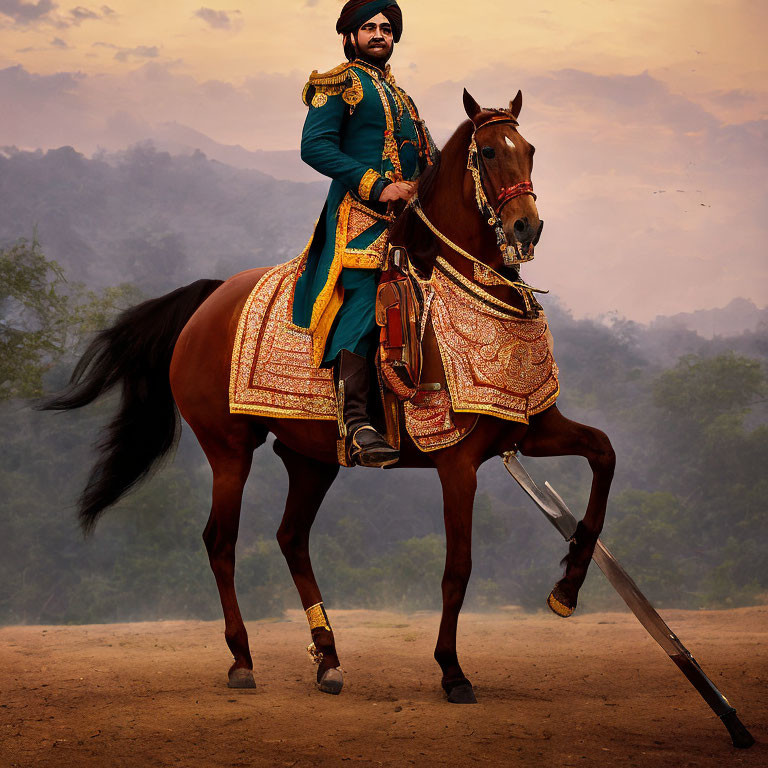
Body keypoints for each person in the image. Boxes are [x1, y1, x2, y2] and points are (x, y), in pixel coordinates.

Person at [292, 0, 437, 467]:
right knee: (367, 290)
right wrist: (378, 184)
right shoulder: (337, 83)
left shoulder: (404, 98)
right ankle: (357, 423)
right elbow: (314, 147)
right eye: (369, 27)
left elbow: (428, 158)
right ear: (350, 35)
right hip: (358, 219)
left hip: (409, 222)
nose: (379, 33)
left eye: (387, 28)